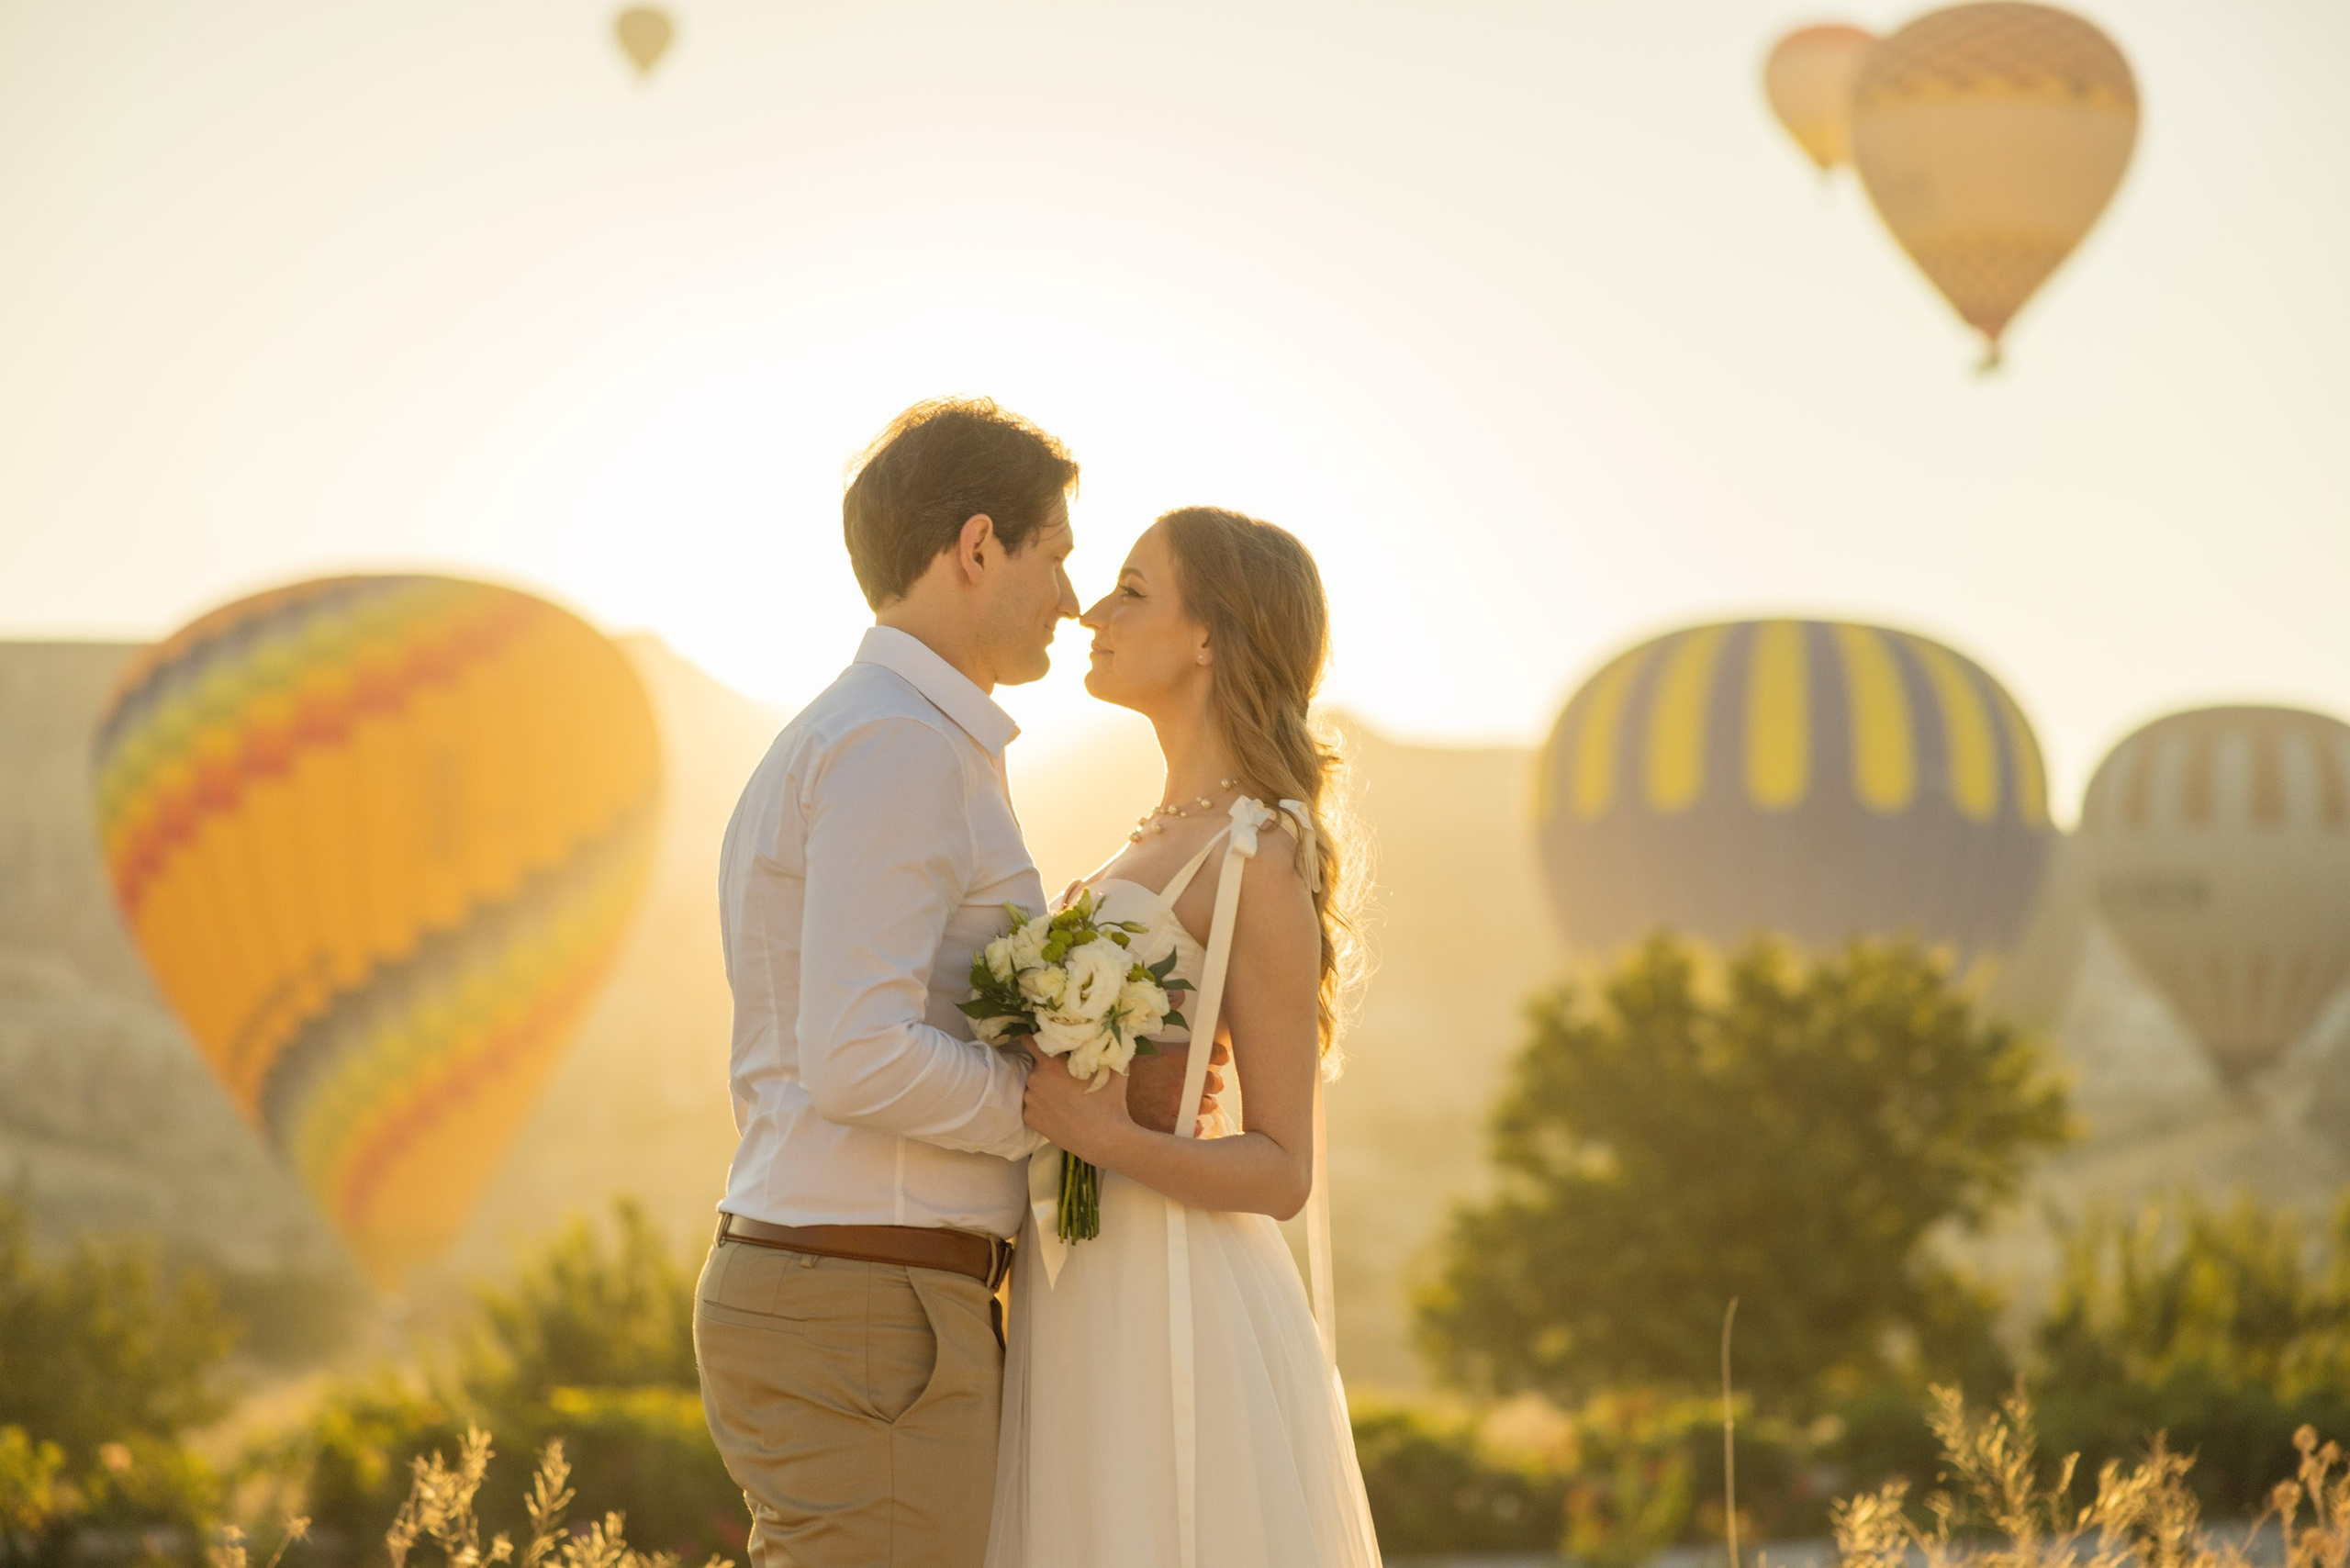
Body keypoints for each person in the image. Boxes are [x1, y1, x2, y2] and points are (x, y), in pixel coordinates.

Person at [693, 399, 1220, 1568]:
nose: (1075, 598)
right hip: (866, 1308)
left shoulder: (885, 736)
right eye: (1059, 556)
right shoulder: (900, 748)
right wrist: (1060, 1110)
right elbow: (858, 1052)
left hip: (857, 1296)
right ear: (979, 547)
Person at [987, 506, 1383, 1567]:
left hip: (1174, 1293)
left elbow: (1284, 1166)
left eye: (1130, 590)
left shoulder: (1255, 854)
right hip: (1078, 1283)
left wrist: (1106, 1139)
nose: (1092, 615)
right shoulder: (1146, 838)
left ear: (1208, 637)